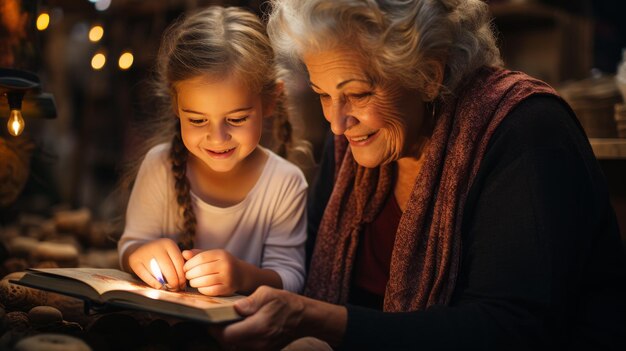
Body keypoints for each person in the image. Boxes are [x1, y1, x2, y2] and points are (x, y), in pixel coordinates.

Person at [209, 0, 626, 349]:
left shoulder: (525, 130)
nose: (337, 123)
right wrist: (241, 276)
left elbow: (509, 330)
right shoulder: (356, 145)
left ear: (428, 75)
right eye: (323, 94)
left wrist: (317, 319)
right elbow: (306, 259)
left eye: (357, 94)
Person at [117, 6, 307, 297]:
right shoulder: (159, 166)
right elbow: (130, 246)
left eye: (237, 119)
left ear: (270, 101)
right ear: (175, 105)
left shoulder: (285, 184)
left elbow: (292, 277)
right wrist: (138, 254)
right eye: (197, 119)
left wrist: (244, 276)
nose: (217, 138)